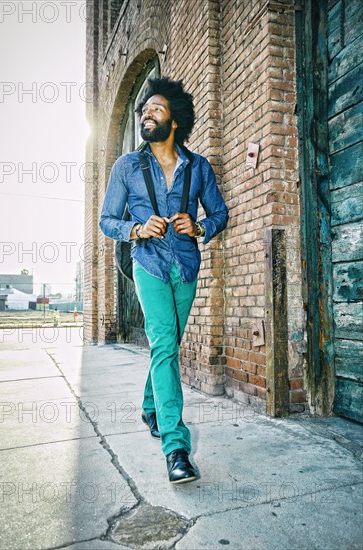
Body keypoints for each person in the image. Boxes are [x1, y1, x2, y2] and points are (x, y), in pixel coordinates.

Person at [99, 76, 228, 484]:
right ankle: (176, 447)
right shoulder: (127, 167)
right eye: (143, 111)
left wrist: (200, 225)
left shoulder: (199, 166)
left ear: (174, 120)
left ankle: (151, 406)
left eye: (154, 108)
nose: (146, 114)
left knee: (167, 344)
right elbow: (106, 221)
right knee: (165, 343)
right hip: (148, 263)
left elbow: (220, 213)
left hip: (186, 265)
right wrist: (136, 229)